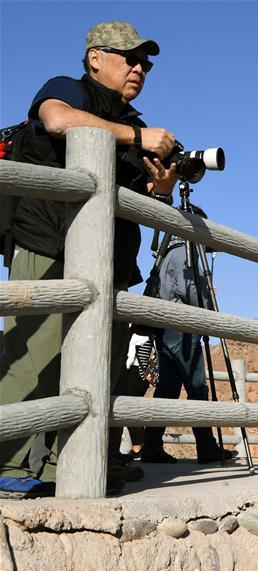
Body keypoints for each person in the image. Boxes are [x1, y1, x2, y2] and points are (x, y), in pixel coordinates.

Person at [0, 21, 178, 498]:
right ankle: (6, 459)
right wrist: (136, 139)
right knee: (33, 354)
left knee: (104, 362)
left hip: (110, 259)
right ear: (96, 57)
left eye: (146, 62)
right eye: (129, 58)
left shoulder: (137, 124)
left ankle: (77, 460)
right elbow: (57, 120)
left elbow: (147, 203)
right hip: (45, 241)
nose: (140, 68)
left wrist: (160, 189)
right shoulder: (66, 88)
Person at [140, 206, 238, 465]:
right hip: (183, 323)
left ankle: (151, 445)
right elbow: (189, 290)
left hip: (166, 322)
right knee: (197, 387)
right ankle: (206, 448)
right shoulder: (186, 252)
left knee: (168, 388)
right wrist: (207, 298)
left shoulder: (168, 251)